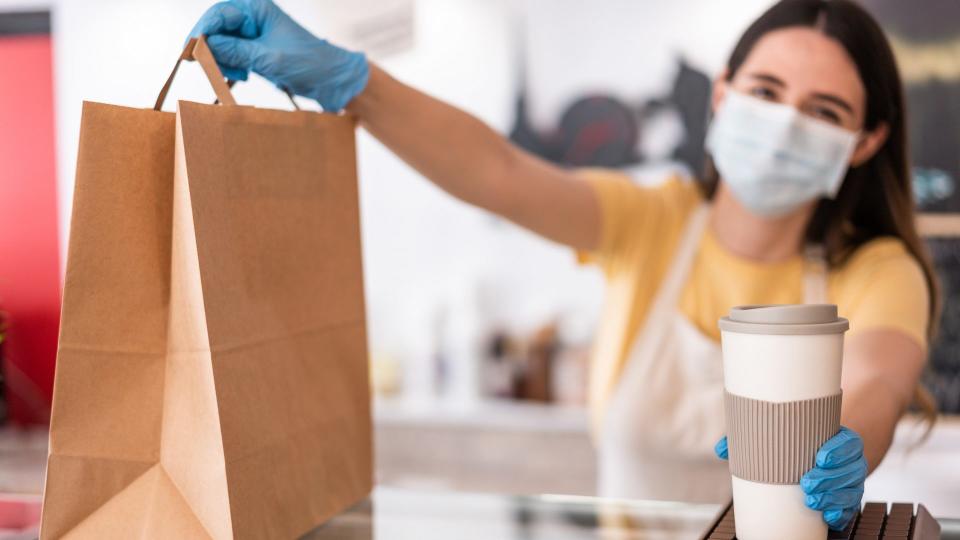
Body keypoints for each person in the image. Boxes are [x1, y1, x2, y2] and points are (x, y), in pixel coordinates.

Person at [188, 0, 939, 530]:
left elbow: (875, 379)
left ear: (866, 142)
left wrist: (846, 444)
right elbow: (499, 172)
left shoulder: (876, 270)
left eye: (824, 113)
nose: (784, 123)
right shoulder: (653, 222)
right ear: (722, 96)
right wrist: (351, 81)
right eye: (767, 92)